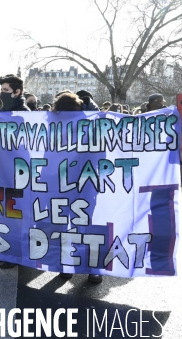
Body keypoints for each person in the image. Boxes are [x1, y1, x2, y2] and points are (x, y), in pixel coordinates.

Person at [52, 91, 103, 284]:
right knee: (83, 223)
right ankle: (90, 269)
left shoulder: (91, 124)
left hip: (76, 180)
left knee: (71, 224)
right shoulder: (90, 123)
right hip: (79, 180)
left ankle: (75, 266)